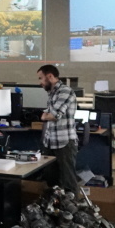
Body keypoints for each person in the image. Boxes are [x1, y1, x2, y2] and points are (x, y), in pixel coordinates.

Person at [37, 64, 78, 192]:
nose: (40, 82)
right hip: (50, 142)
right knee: (51, 180)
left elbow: (53, 116)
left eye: (41, 78)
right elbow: (48, 115)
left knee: (68, 181)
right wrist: (46, 115)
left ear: (50, 76)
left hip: (64, 142)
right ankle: (56, 204)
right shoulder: (52, 93)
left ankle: (72, 204)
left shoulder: (65, 91)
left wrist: (45, 116)